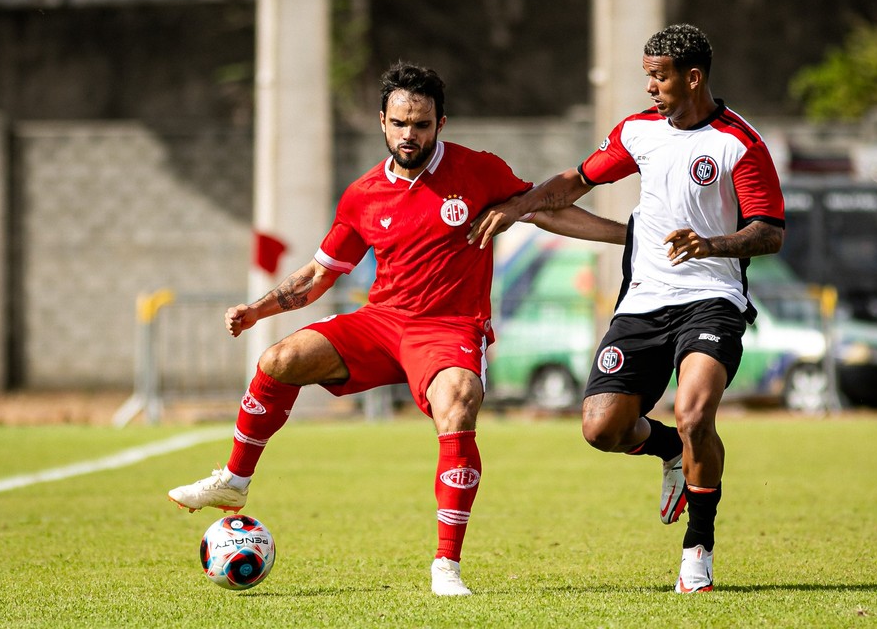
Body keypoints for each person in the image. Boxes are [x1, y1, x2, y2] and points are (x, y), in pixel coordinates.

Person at [168, 61, 627, 596]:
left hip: (449, 326)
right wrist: (258, 310)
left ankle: (445, 567)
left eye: (423, 125)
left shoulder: (478, 170)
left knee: (458, 398)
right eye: (401, 123)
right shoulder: (362, 195)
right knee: (279, 360)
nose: (411, 135)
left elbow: (543, 210)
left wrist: (627, 236)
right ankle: (235, 480)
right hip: (383, 321)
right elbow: (318, 275)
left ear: (441, 123)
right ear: (382, 122)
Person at [468, 24, 785, 593]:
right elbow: (577, 180)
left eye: (658, 78)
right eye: (647, 77)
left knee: (694, 414)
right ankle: (668, 451)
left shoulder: (741, 143)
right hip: (642, 302)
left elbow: (770, 233)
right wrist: (521, 206)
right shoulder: (638, 132)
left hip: (712, 300)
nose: (650, 89)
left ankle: (699, 548)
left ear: (693, 78)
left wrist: (710, 244)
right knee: (601, 428)